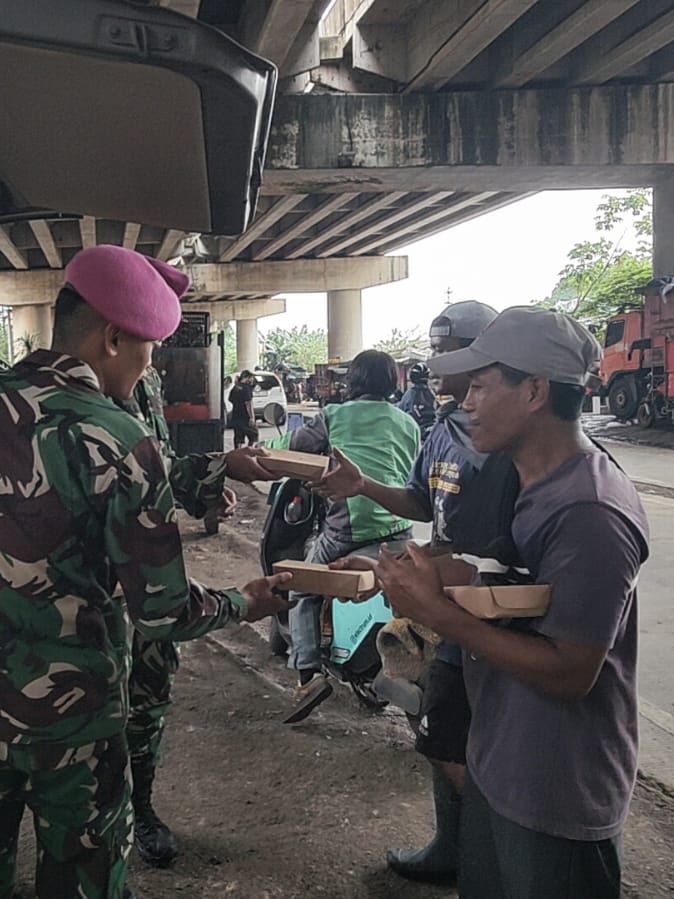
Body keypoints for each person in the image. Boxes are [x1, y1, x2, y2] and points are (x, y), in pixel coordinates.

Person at [0, 245, 291, 899]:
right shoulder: (117, 435)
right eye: (148, 347)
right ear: (113, 336)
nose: (149, 363)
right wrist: (243, 601)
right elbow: (162, 613)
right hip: (73, 726)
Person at [371, 306, 650, 899]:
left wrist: (438, 615)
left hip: (557, 783)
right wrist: (390, 572)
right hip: (502, 760)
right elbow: (500, 576)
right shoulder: (521, 480)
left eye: (478, 386)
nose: (465, 402)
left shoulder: (588, 510)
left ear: (534, 391)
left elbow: (572, 672)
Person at [315, 301, 519, 885]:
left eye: (447, 349)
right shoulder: (443, 430)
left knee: (466, 737)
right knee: (440, 729)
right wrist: (362, 485)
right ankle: (453, 848)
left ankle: (490, 861)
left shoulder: (506, 440)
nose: (433, 362)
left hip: (490, 605)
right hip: (445, 599)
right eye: (432, 349)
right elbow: (422, 505)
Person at [118, 367, 273, 868]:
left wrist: (201, 488)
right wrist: (244, 603)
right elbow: (129, 465)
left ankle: (140, 806)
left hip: (140, 598)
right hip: (109, 595)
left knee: (145, 701)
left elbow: (155, 467)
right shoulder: (83, 409)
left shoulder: (144, 379)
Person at [265, 350, 421, 699]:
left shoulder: (334, 415)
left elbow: (294, 444)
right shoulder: (408, 422)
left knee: (301, 585)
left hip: (348, 531)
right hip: (399, 528)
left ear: (353, 382)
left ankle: (308, 675)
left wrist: (262, 452)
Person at [397, 362, 438, 433]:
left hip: (415, 430)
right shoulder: (432, 393)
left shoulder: (410, 394)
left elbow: (400, 411)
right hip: (432, 429)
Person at [228, 370, 258, 448]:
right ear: (247, 378)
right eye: (251, 378)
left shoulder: (235, 387)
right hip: (245, 417)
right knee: (254, 435)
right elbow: (248, 403)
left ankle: (238, 454)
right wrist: (251, 417)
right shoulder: (247, 388)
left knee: (238, 437)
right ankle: (250, 451)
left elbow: (230, 399)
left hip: (236, 416)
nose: (252, 380)